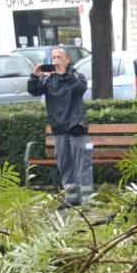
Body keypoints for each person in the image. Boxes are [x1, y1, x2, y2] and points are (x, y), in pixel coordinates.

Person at [27, 45, 92, 207]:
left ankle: (87, 199)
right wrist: (34, 76)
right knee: (65, 164)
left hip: (76, 126)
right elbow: (34, 90)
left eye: (59, 57)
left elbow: (80, 88)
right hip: (59, 128)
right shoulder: (48, 79)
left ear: (67, 60)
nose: (56, 61)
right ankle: (71, 198)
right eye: (54, 58)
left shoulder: (77, 76)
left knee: (81, 163)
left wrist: (66, 73)